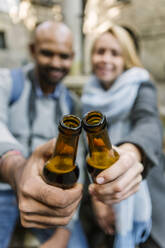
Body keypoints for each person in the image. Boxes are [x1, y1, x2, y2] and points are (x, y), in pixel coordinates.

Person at [0, 21, 88, 248]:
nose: (56, 63)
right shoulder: (9, 83)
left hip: (47, 191)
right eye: (47, 53)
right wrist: (17, 168)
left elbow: (76, 166)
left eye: (64, 56)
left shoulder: (72, 104)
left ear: (72, 56)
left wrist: (65, 231)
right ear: (32, 50)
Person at [81, 25, 163, 248]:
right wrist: (98, 196)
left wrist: (130, 152)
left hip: (144, 193)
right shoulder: (89, 94)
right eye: (100, 51)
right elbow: (84, 150)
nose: (105, 59)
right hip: (97, 195)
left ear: (126, 58)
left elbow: (149, 122)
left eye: (115, 53)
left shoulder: (140, 84)